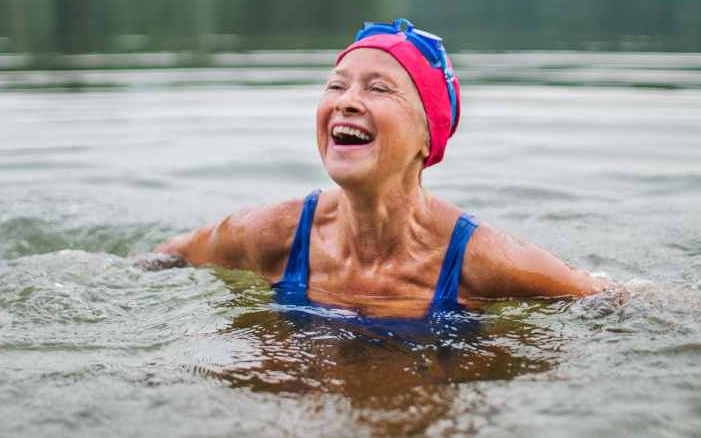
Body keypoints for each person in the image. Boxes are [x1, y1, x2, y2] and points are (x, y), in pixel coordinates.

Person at [147, 19, 619, 319]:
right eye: (336, 86)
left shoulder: (482, 260)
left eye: (378, 89)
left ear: (428, 137)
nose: (347, 101)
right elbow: (170, 256)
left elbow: (607, 297)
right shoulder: (274, 234)